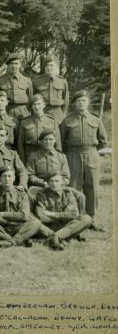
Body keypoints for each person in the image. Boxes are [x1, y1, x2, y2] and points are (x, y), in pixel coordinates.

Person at [60, 90, 108, 232]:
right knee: (73, 187)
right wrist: (70, 153)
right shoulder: (67, 121)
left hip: (91, 155)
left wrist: (91, 151)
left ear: (88, 103)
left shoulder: (95, 120)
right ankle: (75, 218)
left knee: (92, 188)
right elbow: (61, 142)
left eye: (84, 101)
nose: (81, 103)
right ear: (74, 103)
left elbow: (103, 142)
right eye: (79, 101)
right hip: (72, 155)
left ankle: (92, 219)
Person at [34, 172, 91, 250]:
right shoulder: (41, 194)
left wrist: (53, 214)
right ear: (47, 182)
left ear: (62, 182)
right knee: (37, 224)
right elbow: (41, 217)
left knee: (87, 218)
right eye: (51, 181)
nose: (54, 184)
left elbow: (74, 214)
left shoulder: (67, 193)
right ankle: (61, 238)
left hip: (67, 226)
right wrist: (65, 216)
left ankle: (56, 237)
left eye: (57, 181)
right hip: (51, 227)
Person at [0, 168, 41, 247]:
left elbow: (23, 215)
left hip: (19, 226)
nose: (7, 179)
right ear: (0, 178)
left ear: (14, 178)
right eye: (4, 176)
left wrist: (4, 214)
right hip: (1, 227)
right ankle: (19, 240)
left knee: (36, 222)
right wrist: (8, 222)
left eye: (10, 176)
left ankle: (10, 242)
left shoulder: (22, 194)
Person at [16, 93, 60, 163]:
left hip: (47, 156)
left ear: (44, 105)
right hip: (29, 155)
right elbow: (20, 144)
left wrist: (57, 159)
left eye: (39, 104)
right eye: (34, 104)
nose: (36, 107)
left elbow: (58, 144)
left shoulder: (52, 121)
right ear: (31, 107)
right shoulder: (24, 122)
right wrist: (22, 160)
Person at [0, 53, 33, 119]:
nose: (14, 66)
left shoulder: (27, 81)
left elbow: (30, 99)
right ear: (8, 65)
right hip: (7, 112)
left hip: (24, 113)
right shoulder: (0, 81)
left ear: (20, 65)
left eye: (16, 63)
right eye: (11, 63)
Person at [32, 54, 69, 124]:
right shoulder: (36, 81)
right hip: (42, 112)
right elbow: (32, 99)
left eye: (51, 65)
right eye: (47, 65)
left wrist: (63, 115)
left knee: (58, 134)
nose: (49, 67)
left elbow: (66, 100)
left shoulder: (62, 81)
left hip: (57, 113)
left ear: (56, 66)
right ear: (44, 67)